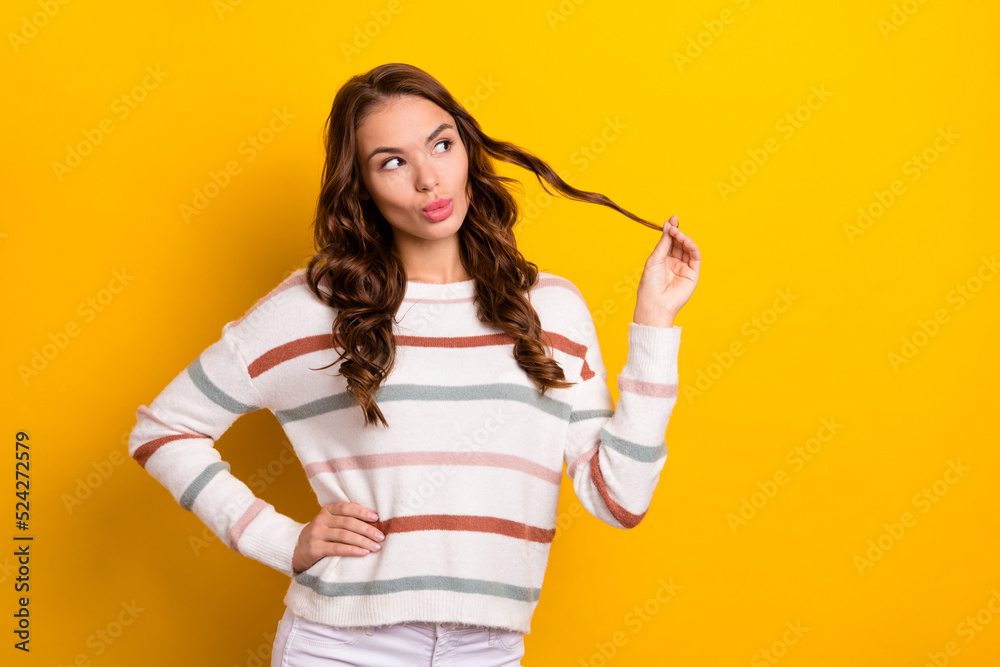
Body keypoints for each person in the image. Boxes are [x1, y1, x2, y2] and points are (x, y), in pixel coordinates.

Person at [127, 62, 701, 667]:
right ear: (363, 188)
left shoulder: (550, 309)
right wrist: (281, 541)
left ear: (467, 152)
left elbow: (621, 499)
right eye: (392, 162)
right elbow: (164, 429)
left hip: (488, 650)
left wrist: (654, 324)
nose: (430, 179)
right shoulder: (314, 309)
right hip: (341, 648)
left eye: (441, 145)